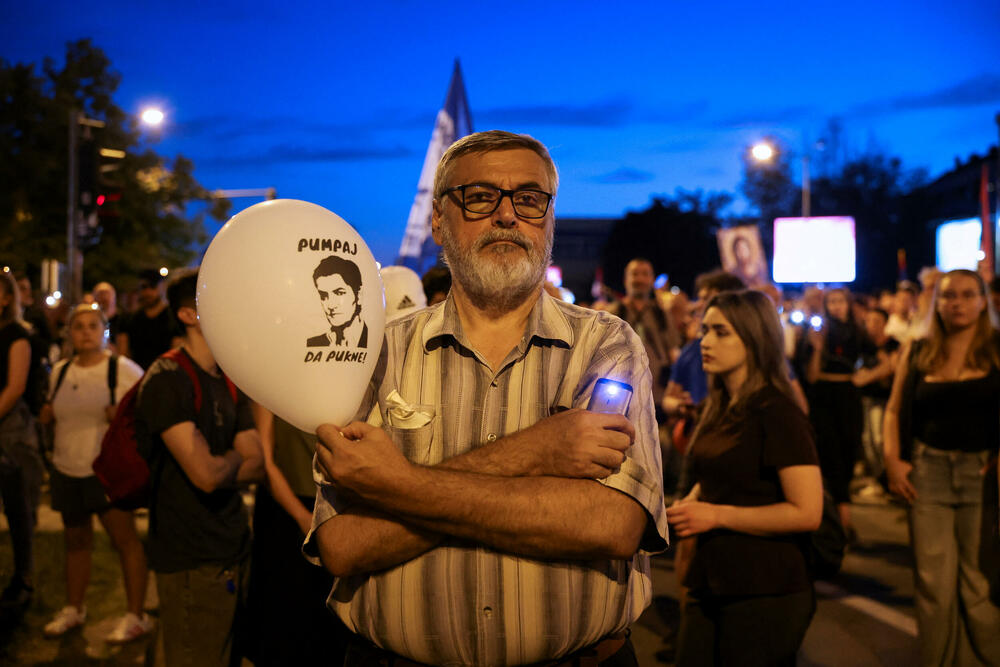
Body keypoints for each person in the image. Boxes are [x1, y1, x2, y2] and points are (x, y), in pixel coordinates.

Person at [304, 130, 668, 666]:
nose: (507, 215)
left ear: (549, 217)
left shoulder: (607, 344)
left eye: (529, 198)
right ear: (437, 218)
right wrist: (537, 454)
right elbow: (344, 544)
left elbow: (610, 524)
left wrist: (396, 484)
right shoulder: (375, 354)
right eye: (479, 197)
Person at [666, 290, 822, 667]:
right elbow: (718, 473)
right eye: (704, 330)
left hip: (765, 588)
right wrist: (686, 505)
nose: (705, 341)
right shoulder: (720, 406)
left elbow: (807, 512)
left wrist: (716, 515)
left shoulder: (777, 411)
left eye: (721, 332)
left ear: (754, 338)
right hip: (713, 580)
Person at [135, 270, 264, 667]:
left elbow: (257, 462)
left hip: (230, 548)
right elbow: (205, 477)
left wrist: (219, 462)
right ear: (189, 315)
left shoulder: (225, 376)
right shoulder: (167, 379)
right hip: (190, 556)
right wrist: (230, 462)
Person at [883, 269, 1000, 666]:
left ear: (983, 301)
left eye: (969, 295)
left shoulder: (997, 348)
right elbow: (894, 408)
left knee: (978, 581)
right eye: (949, 296)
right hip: (927, 472)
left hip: (981, 476)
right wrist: (892, 461)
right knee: (933, 583)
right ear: (938, 302)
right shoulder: (919, 349)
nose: (958, 303)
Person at [39, 304, 151, 641]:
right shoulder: (59, 371)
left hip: (106, 472)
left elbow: (151, 411)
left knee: (124, 540)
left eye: (93, 325)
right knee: (75, 541)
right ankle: (74, 608)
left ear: (105, 331)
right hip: (66, 467)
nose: (85, 332)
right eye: (78, 326)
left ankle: (136, 615)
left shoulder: (124, 369)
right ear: (69, 333)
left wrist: (122, 415)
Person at [801, 287, 873, 538]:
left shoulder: (858, 331)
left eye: (840, 301)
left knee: (849, 452)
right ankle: (842, 518)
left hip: (849, 396)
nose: (836, 306)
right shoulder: (818, 331)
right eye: (831, 301)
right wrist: (817, 347)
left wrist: (868, 376)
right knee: (830, 455)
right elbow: (810, 375)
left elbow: (885, 358)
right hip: (823, 396)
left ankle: (837, 511)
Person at [0, 270, 44, 613]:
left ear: (6, 298)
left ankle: (24, 577)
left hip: (10, 430)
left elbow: (14, 388)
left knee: (20, 510)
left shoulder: (17, 336)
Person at [604, 258, 678, 407]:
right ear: (626, 280)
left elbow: (673, 353)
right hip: (622, 395)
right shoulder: (612, 313)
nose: (640, 279)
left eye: (645, 274)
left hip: (657, 395)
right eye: (635, 274)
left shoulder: (661, 314)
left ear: (652, 280)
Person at [119, 270, 177, 370]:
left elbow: (177, 353)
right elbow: (124, 354)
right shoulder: (130, 319)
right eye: (143, 287)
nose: (147, 292)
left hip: (166, 375)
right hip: (137, 375)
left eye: (152, 286)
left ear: (162, 287)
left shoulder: (173, 317)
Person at [306, 255, 368, 347]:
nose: (330, 305)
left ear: (358, 296)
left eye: (339, 293)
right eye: (323, 296)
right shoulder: (313, 344)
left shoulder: (375, 341)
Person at [91, 281, 124, 353]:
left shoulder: (122, 320)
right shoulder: (91, 321)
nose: (103, 297)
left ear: (114, 298)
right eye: (100, 294)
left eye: (106, 293)